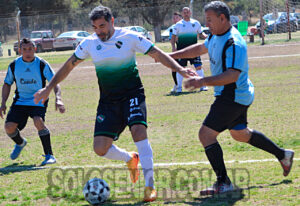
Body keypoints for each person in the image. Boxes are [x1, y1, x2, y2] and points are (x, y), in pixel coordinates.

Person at [33, 6, 196, 202]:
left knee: (138, 131)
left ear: (112, 21)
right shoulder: (89, 43)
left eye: (102, 26)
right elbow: (68, 65)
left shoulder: (129, 36)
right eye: (95, 27)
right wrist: (49, 87)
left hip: (132, 94)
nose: (99, 31)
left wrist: (180, 69)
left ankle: (149, 186)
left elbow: (157, 53)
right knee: (100, 149)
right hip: (108, 101)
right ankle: (130, 158)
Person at [170, 1, 294, 195]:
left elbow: (232, 75)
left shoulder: (233, 42)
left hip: (232, 95)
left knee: (206, 135)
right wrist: (172, 57)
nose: (207, 24)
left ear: (222, 18)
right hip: (236, 94)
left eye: (210, 20)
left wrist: (201, 82)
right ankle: (283, 155)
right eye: (206, 20)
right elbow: (200, 48)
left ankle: (223, 182)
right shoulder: (215, 35)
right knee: (240, 133)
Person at [0, 38, 65, 166]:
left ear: (34, 49)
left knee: (38, 121)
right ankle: (20, 143)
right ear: (20, 50)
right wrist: (3, 102)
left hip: (38, 99)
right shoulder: (14, 65)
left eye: (30, 49)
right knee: (9, 127)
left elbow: (54, 82)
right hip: (20, 101)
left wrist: (58, 98)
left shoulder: (41, 64)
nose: (28, 52)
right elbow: (7, 83)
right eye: (24, 49)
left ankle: (49, 155)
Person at [171, 7, 208, 93]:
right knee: (181, 68)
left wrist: (208, 37)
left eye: (187, 12)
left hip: (194, 50)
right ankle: (179, 88)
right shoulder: (178, 25)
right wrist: (173, 48)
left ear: (190, 13)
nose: (186, 13)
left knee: (198, 66)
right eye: (184, 12)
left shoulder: (196, 23)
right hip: (182, 51)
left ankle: (203, 86)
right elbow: (173, 38)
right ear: (182, 14)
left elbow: (201, 34)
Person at [169, 12, 182, 93]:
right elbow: (172, 40)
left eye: (176, 17)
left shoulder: (184, 26)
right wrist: (174, 48)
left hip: (186, 50)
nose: (174, 19)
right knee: (173, 68)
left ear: (180, 18)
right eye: (173, 18)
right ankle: (176, 84)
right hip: (176, 50)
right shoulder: (172, 28)